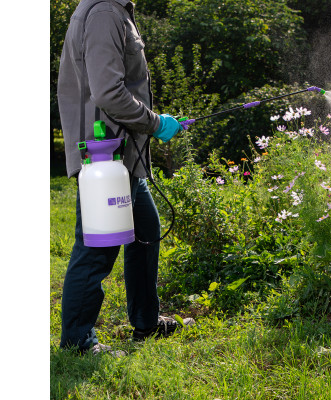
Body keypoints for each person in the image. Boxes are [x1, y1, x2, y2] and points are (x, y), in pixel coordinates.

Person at [57, 0, 194, 355]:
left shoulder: (113, 10)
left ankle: (147, 323)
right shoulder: (104, 13)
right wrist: (155, 122)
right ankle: (78, 342)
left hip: (123, 154)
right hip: (107, 155)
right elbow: (107, 93)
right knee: (95, 249)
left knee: (146, 230)